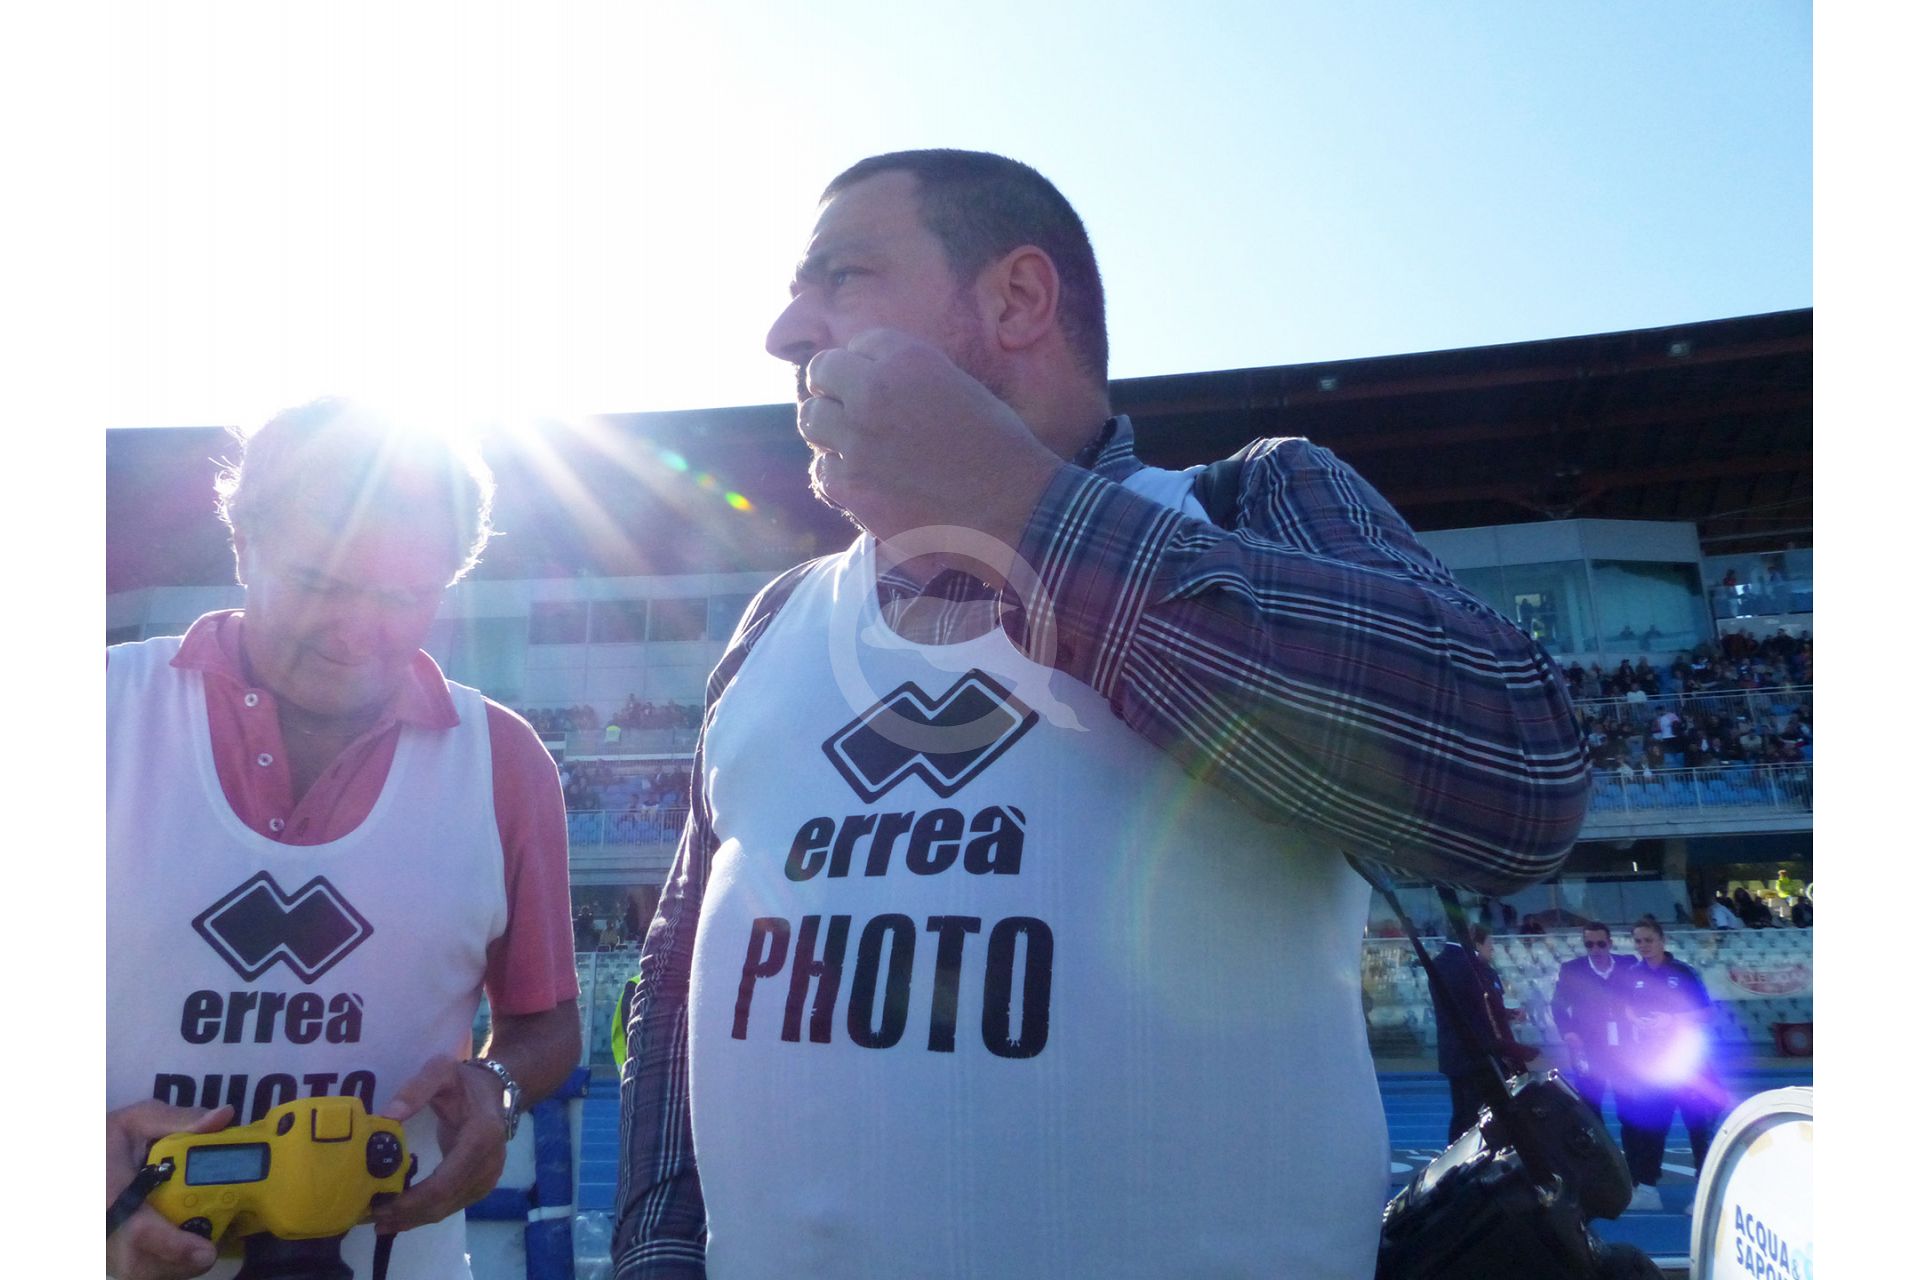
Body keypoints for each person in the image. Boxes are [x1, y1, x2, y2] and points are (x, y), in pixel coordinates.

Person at [612, 149, 1589, 1278]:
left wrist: (1012, 503)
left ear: (1017, 299)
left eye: (843, 275)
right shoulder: (775, 619)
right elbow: (678, 980)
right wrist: (656, 1254)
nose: (787, 332)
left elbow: (1519, 782)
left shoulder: (1253, 503)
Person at [106, 398, 582, 1279]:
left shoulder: (502, 762)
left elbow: (546, 1021)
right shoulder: (100, 714)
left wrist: (499, 1087)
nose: (361, 631)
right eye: (321, 583)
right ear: (242, 544)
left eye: (406, 597)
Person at [1616, 916, 1725, 1213]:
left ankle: (1704, 1193)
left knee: (1698, 1127)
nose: (1643, 946)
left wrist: (1672, 1020)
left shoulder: (1683, 973)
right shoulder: (1633, 974)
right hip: (1653, 1064)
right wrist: (1637, 1019)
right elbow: (1625, 1008)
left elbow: (1707, 1014)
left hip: (1688, 1063)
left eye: (1649, 940)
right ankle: (1647, 1188)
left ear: (1662, 941)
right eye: (1638, 941)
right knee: (1651, 1127)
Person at [1432, 924, 1537, 1142]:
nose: (1493, 949)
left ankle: (1457, 1157)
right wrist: (1513, 1049)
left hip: (1456, 1054)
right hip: (1480, 1057)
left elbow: (1467, 1008)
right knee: (1481, 1118)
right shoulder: (1472, 968)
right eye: (1490, 944)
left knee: (1463, 1115)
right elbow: (1479, 1018)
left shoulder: (1441, 963)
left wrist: (1505, 1013)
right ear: (1475, 942)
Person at [1549, 922, 1634, 1119]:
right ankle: (1598, 1140)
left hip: (1625, 1049)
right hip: (1588, 1047)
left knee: (1629, 1104)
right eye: (1589, 944)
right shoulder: (1572, 970)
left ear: (1610, 943)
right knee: (1590, 1105)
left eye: (1600, 944)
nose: (1595, 949)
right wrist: (1568, 1032)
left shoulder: (1628, 964)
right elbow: (1558, 1005)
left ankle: (1633, 1140)